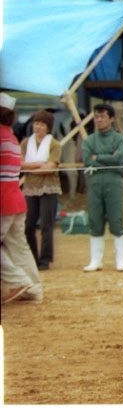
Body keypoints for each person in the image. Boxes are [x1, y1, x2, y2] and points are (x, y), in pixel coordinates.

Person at [0, 93, 43, 303]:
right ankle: (33, 289)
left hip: (3, 201)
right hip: (16, 199)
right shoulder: (11, 137)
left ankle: (18, 281)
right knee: (19, 245)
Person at [82, 103, 123, 272]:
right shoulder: (88, 140)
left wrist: (98, 157)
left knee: (116, 219)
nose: (99, 120)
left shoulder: (120, 139)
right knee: (95, 219)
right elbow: (87, 160)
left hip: (114, 180)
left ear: (111, 118)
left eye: (102, 116)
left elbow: (120, 158)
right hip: (95, 181)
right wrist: (109, 156)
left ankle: (120, 260)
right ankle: (96, 260)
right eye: (96, 116)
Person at [20, 110, 62, 271]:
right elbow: (20, 164)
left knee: (46, 225)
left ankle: (45, 259)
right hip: (30, 188)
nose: (38, 127)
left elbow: (51, 167)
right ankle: (32, 257)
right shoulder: (25, 143)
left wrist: (30, 168)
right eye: (36, 123)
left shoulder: (54, 144)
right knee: (28, 225)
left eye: (42, 124)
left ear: (48, 127)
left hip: (48, 188)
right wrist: (39, 164)